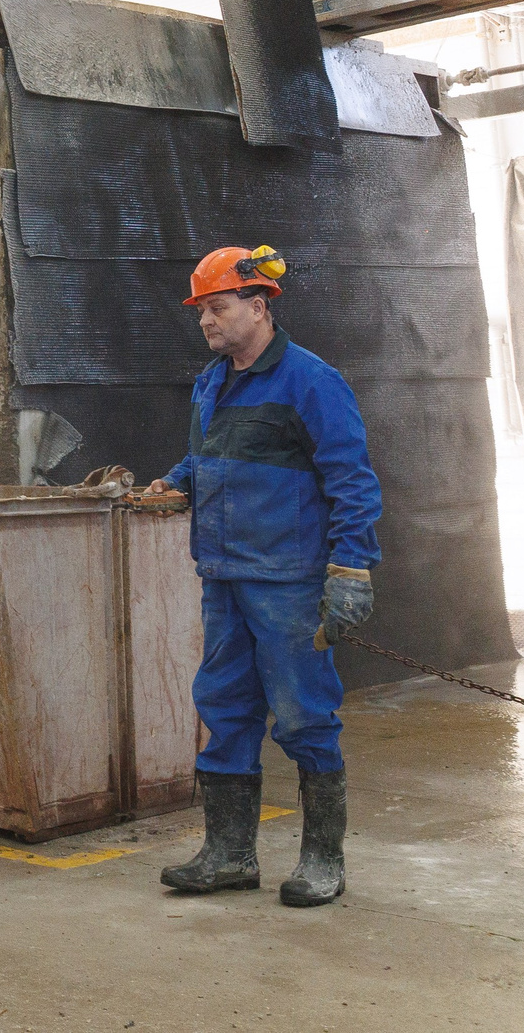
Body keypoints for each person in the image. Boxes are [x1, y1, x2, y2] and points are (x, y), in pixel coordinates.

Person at [133, 245, 381, 908]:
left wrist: (352, 563)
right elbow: (209, 456)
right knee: (225, 708)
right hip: (225, 575)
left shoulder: (310, 381)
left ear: (259, 304)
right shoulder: (212, 381)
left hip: (289, 582)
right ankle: (229, 853)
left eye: (219, 307)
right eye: (202, 311)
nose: (208, 322)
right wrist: (176, 481)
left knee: (304, 716)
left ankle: (323, 858)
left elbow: (351, 478)